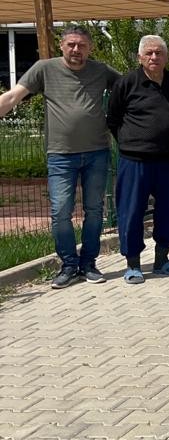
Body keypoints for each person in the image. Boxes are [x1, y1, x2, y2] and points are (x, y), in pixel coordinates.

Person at [0, 26, 120, 289]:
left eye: (82, 45)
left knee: (94, 210)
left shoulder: (101, 71)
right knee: (60, 212)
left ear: (90, 48)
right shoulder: (44, 69)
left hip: (97, 153)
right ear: (62, 46)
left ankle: (89, 264)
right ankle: (68, 265)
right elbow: (13, 96)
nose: (76, 50)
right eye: (71, 45)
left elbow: (128, 89)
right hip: (60, 156)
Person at [106, 35, 169, 283]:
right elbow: (113, 119)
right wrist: (130, 141)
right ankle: (133, 264)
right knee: (131, 212)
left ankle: (162, 259)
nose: (154, 57)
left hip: (168, 160)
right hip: (134, 161)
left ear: (166, 57)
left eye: (159, 53)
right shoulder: (127, 83)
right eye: (149, 53)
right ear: (140, 57)